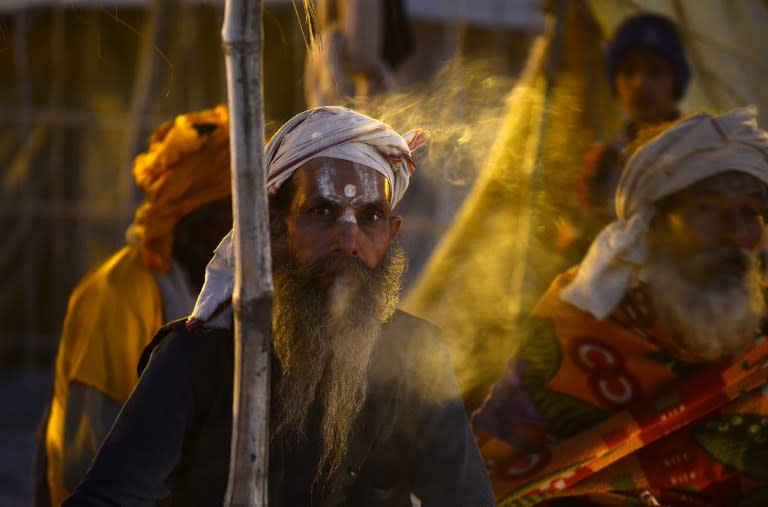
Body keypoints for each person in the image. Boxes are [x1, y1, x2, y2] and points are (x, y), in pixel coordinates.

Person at [63, 106, 495, 507]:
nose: (348, 241)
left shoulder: (417, 355)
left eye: (370, 218)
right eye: (323, 211)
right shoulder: (198, 357)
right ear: (272, 225)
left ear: (393, 231)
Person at [472, 107, 768, 506]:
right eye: (707, 208)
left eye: (750, 212)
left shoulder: (760, 342)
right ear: (655, 224)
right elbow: (501, 481)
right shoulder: (581, 326)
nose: (735, 232)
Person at [41, 106, 233, 507]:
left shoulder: (202, 284)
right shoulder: (117, 297)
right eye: (230, 214)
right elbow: (88, 466)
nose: (244, 232)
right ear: (190, 217)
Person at [561, 13, 691, 265]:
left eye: (656, 70)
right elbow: (578, 231)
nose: (641, 83)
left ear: (675, 81)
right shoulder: (603, 162)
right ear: (615, 82)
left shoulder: (705, 152)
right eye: (629, 71)